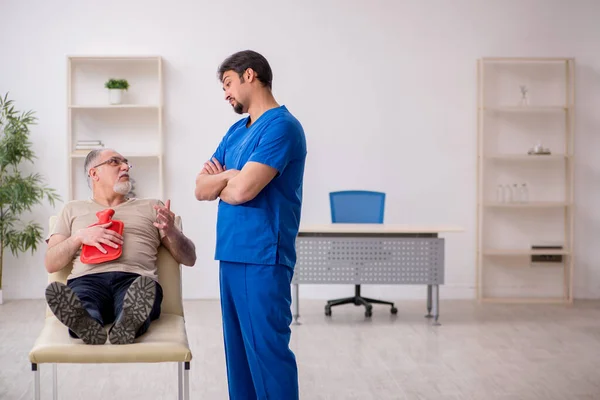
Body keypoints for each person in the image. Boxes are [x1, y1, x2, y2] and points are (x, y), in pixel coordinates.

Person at [195, 50, 307, 400]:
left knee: (268, 355)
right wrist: (231, 175)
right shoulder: (234, 132)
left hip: (263, 256)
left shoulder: (282, 127)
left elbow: (243, 191)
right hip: (230, 254)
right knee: (239, 359)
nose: (225, 93)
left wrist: (228, 181)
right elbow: (200, 188)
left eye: (228, 83)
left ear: (250, 75)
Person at [44, 148, 196, 345]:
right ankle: (87, 324)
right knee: (82, 301)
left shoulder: (152, 207)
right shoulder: (72, 209)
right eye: (115, 162)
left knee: (137, 298)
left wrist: (172, 232)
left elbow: (189, 258)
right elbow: (51, 263)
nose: (125, 167)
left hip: (136, 281)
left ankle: (128, 323)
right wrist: (79, 237)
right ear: (94, 173)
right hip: (86, 281)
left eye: (126, 163)